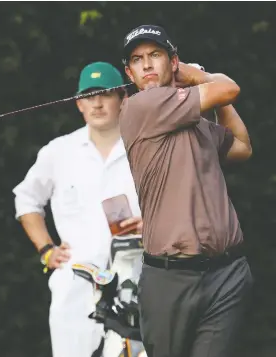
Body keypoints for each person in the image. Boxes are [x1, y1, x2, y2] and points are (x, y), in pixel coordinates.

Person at [118, 25, 253, 357]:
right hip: (171, 278)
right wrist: (197, 75)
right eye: (137, 59)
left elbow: (242, 148)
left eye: (155, 55)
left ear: (171, 61)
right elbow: (230, 88)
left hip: (228, 272)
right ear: (129, 73)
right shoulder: (142, 106)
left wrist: (203, 86)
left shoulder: (196, 122)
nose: (147, 65)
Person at [13, 62, 145, 357]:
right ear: (78, 103)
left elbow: (174, 204)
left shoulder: (144, 149)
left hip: (136, 282)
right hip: (76, 288)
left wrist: (150, 226)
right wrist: (46, 249)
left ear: (123, 99)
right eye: (89, 96)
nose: (97, 103)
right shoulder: (59, 151)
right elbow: (26, 199)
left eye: (106, 94)